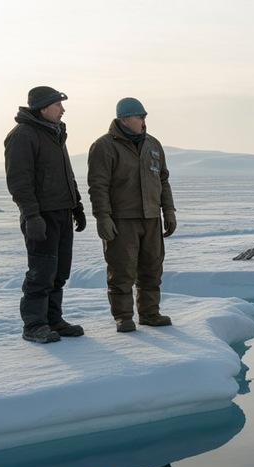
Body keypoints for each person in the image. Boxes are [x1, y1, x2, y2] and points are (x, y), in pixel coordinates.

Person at [4, 86, 86, 344]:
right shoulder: (23, 136)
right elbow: (19, 181)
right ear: (43, 108)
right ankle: (35, 325)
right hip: (41, 215)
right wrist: (31, 216)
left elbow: (66, 173)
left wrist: (77, 205)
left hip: (62, 211)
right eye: (58, 105)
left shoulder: (55, 133)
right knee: (41, 272)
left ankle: (53, 320)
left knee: (60, 272)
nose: (63, 110)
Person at [87, 97, 176, 332]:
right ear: (124, 120)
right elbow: (98, 185)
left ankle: (150, 313)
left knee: (152, 268)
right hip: (122, 220)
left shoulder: (153, 145)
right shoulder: (104, 146)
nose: (144, 121)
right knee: (122, 270)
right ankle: (123, 316)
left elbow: (163, 180)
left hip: (151, 217)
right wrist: (103, 217)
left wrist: (168, 210)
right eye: (140, 117)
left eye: (145, 117)